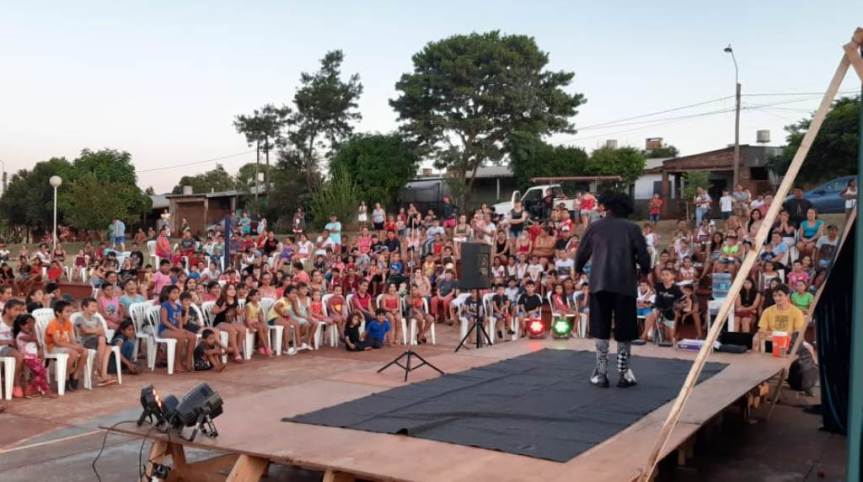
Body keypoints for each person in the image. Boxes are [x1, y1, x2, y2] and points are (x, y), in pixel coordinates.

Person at [575, 192, 651, 388]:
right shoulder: (632, 228)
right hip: (625, 284)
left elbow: (582, 252)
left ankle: (601, 373)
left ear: (606, 207)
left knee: (601, 327)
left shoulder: (595, 227)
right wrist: (644, 271)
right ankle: (624, 373)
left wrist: (577, 269)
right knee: (625, 328)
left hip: (599, 283)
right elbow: (643, 255)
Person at [72, 298, 117, 386]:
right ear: (84, 307)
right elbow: (85, 331)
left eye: (96, 306)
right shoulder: (79, 318)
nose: (95, 308)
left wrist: (92, 330)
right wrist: (96, 330)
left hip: (98, 341)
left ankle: (102, 375)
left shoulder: (97, 318)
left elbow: (103, 332)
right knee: (102, 339)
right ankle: (101, 373)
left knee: (108, 347)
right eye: (92, 306)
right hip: (86, 342)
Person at [45, 300, 86, 392]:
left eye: (70, 311)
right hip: (53, 348)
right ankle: (66, 375)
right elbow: (57, 342)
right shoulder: (53, 324)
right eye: (67, 311)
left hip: (66, 346)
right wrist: (74, 347)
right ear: (58, 313)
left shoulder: (68, 323)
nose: (70, 314)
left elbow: (72, 339)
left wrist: (77, 345)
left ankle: (76, 374)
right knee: (74, 352)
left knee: (85, 351)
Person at [754, 284, 805, 353]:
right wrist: (776, 335)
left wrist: (781, 336)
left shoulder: (797, 312)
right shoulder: (767, 311)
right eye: (775, 296)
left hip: (789, 342)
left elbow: (798, 333)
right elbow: (762, 330)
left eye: (780, 295)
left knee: (807, 347)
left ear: (787, 296)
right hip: (771, 341)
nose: (777, 298)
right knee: (756, 338)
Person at [158, 285, 198, 372]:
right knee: (181, 336)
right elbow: (164, 321)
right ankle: (177, 364)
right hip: (164, 330)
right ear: (168, 294)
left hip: (175, 329)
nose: (176, 295)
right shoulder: (165, 305)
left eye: (177, 293)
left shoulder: (178, 307)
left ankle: (188, 362)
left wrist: (180, 329)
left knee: (193, 336)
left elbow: (180, 321)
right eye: (173, 293)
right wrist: (177, 330)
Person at [13, 314, 54, 398]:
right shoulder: (21, 336)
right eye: (27, 324)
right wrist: (33, 328)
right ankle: (40, 390)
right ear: (21, 325)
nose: (30, 326)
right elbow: (34, 339)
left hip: (33, 358)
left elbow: (37, 344)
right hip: (28, 358)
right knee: (42, 372)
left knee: (40, 374)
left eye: (32, 323)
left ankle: (32, 390)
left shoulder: (30, 333)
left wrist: (40, 352)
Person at [0, 300, 26, 398]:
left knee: (25, 355)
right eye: (16, 310)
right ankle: (16, 384)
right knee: (18, 356)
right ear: (7, 309)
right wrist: (8, 342)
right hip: (2, 348)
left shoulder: (17, 322)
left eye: (20, 310)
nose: (18, 312)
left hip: (10, 349)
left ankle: (29, 384)